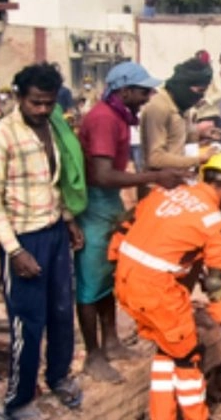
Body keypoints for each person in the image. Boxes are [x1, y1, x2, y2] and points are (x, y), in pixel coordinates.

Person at [0, 63, 85, 418]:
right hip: (23, 238)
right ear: (19, 98)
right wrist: (15, 250)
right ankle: (19, 400)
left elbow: (54, 184)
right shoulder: (1, 135)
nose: (42, 110)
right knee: (28, 322)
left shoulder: (53, 127)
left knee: (60, 313)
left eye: (49, 103)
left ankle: (58, 376)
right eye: (36, 103)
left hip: (54, 231)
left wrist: (68, 221)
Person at [74, 62, 186, 383]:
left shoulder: (117, 118)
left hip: (107, 204)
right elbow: (103, 174)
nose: (148, 97)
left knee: (107, 277)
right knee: (90, 284)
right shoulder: (104, 120)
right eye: (142, 91)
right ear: (124, 91)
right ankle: (93, 355)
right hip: (95, 204)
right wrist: (155, 177)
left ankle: (111, 341)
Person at [114, 154, 221, 420]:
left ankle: (162, 415)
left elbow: (124, 224)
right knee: (188, 355)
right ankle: (197, 416)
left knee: (167, 348)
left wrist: (116, 262)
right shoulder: (214, 221)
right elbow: (216, 281)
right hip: (157, 291)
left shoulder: (165, 193)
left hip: (125, 280)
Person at [140, 56, 216, 172]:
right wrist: (199, 160)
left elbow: (177, 143)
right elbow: (155, 158)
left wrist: (200, 135)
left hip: (177, 181)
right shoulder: (159, 106)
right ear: (184, 85)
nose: (201, 96)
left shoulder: (181, 106)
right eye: (199, 91)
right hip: (158, 185)